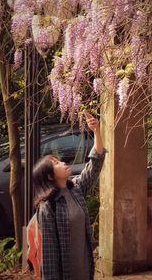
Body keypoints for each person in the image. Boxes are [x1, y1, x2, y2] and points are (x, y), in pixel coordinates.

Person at [31, 112, 106, 280]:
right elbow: (48, 254)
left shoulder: (76, 188)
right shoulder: (48, 207)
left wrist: (97, 131)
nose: (63, 163)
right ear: (50, 176)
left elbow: (95, 163)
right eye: (56, 163)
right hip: (65, 273)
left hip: (85, 269)